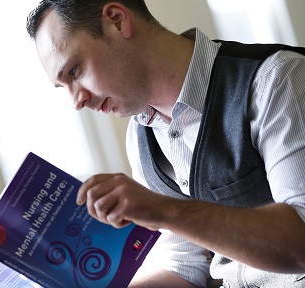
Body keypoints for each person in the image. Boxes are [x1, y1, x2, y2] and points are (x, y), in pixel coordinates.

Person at [26, 1, 305, 287]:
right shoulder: (139, 137)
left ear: (117, 20)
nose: (77, 101)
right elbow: (183, 266)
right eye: (64, 86)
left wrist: (161, 209)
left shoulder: (278, 80)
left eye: (74, 71)